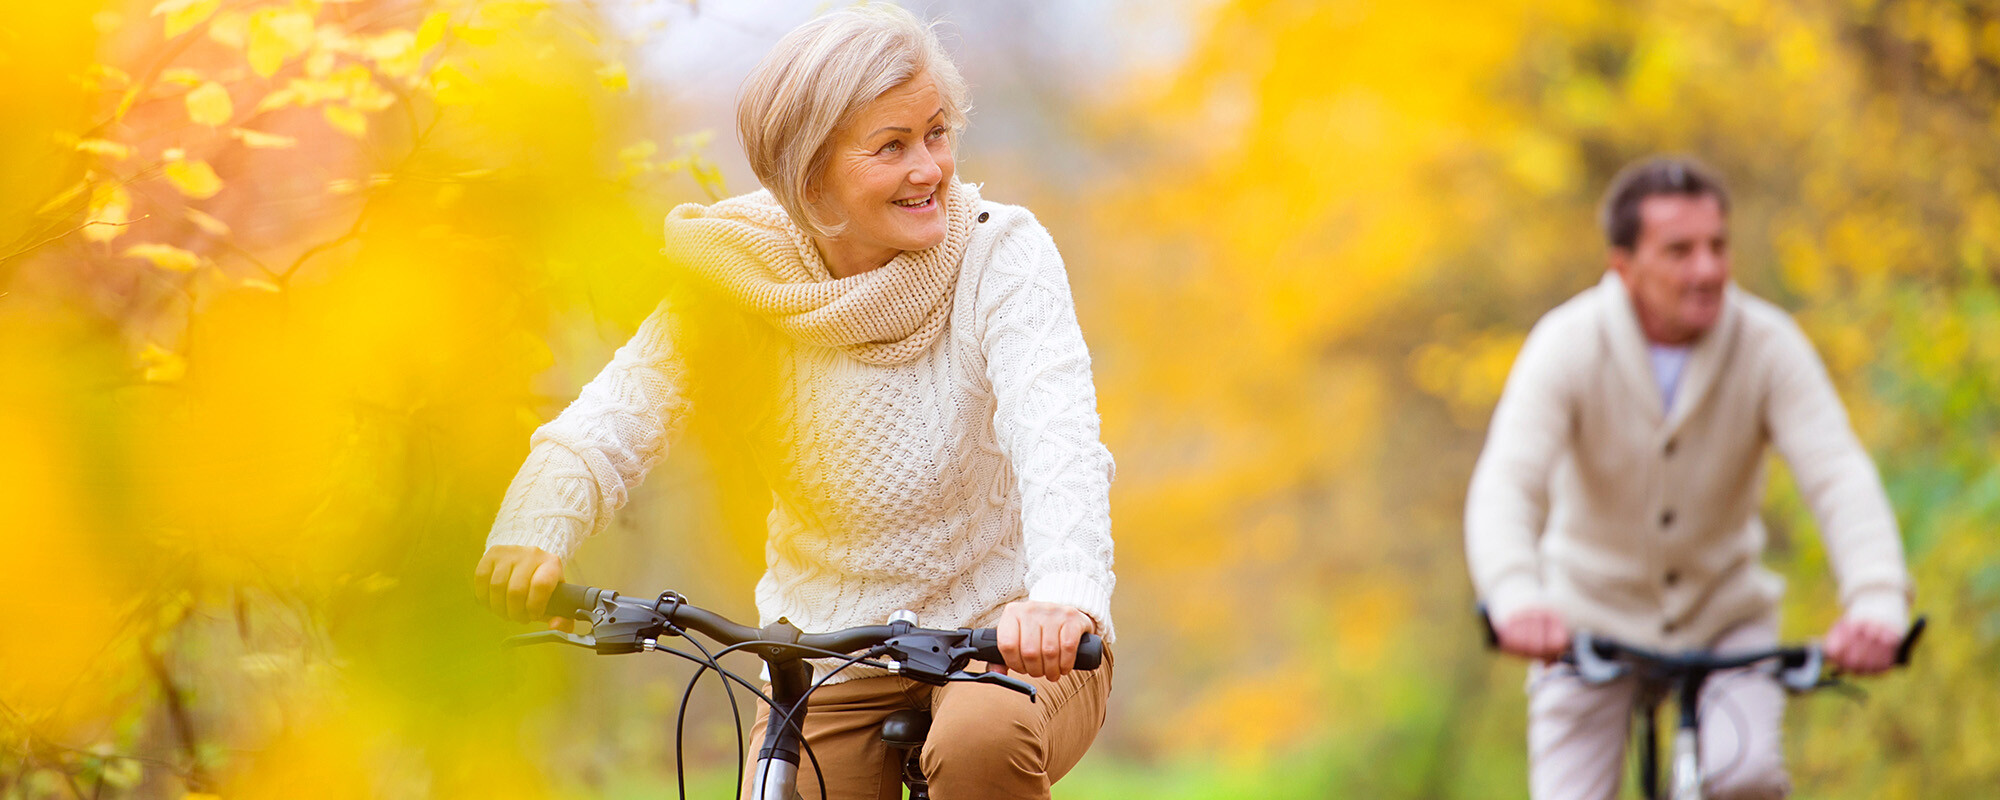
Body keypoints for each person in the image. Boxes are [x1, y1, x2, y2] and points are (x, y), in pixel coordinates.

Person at [471, 6, 1116, 799]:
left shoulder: (1001, 254)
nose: (931, 169)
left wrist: (1063, 597)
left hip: (1014, 637)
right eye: (892, 147)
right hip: (830, 653)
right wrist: (535, 526)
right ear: (813, 182)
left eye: (937, 133)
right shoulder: (741, 278)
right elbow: (613, 418)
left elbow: (1058, 440)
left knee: (980, 741)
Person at [1464, 156, 1912, 800]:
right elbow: (1509, 481)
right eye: (1679, 251)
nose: (1707, 269)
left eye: (1717, 246)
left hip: (1727, 618)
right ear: (1624, 266)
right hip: (1586, 625)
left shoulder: (1767, 344)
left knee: (1746, 777)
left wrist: (1876, 599)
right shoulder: (1567, 344)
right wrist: (1516, 597)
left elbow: (1837, 474)